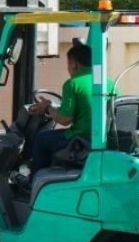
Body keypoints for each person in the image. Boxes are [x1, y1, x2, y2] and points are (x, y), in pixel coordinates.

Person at [25, 38, 116, 184]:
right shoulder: (109, 82)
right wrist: (52, 108)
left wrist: (47, 107)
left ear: (74, 64)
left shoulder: (73, 84)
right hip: (104, 138)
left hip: (82, 139)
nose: (68, 68)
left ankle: (33, 184)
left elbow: (64, 119)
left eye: (68, 64)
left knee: (42, 139)